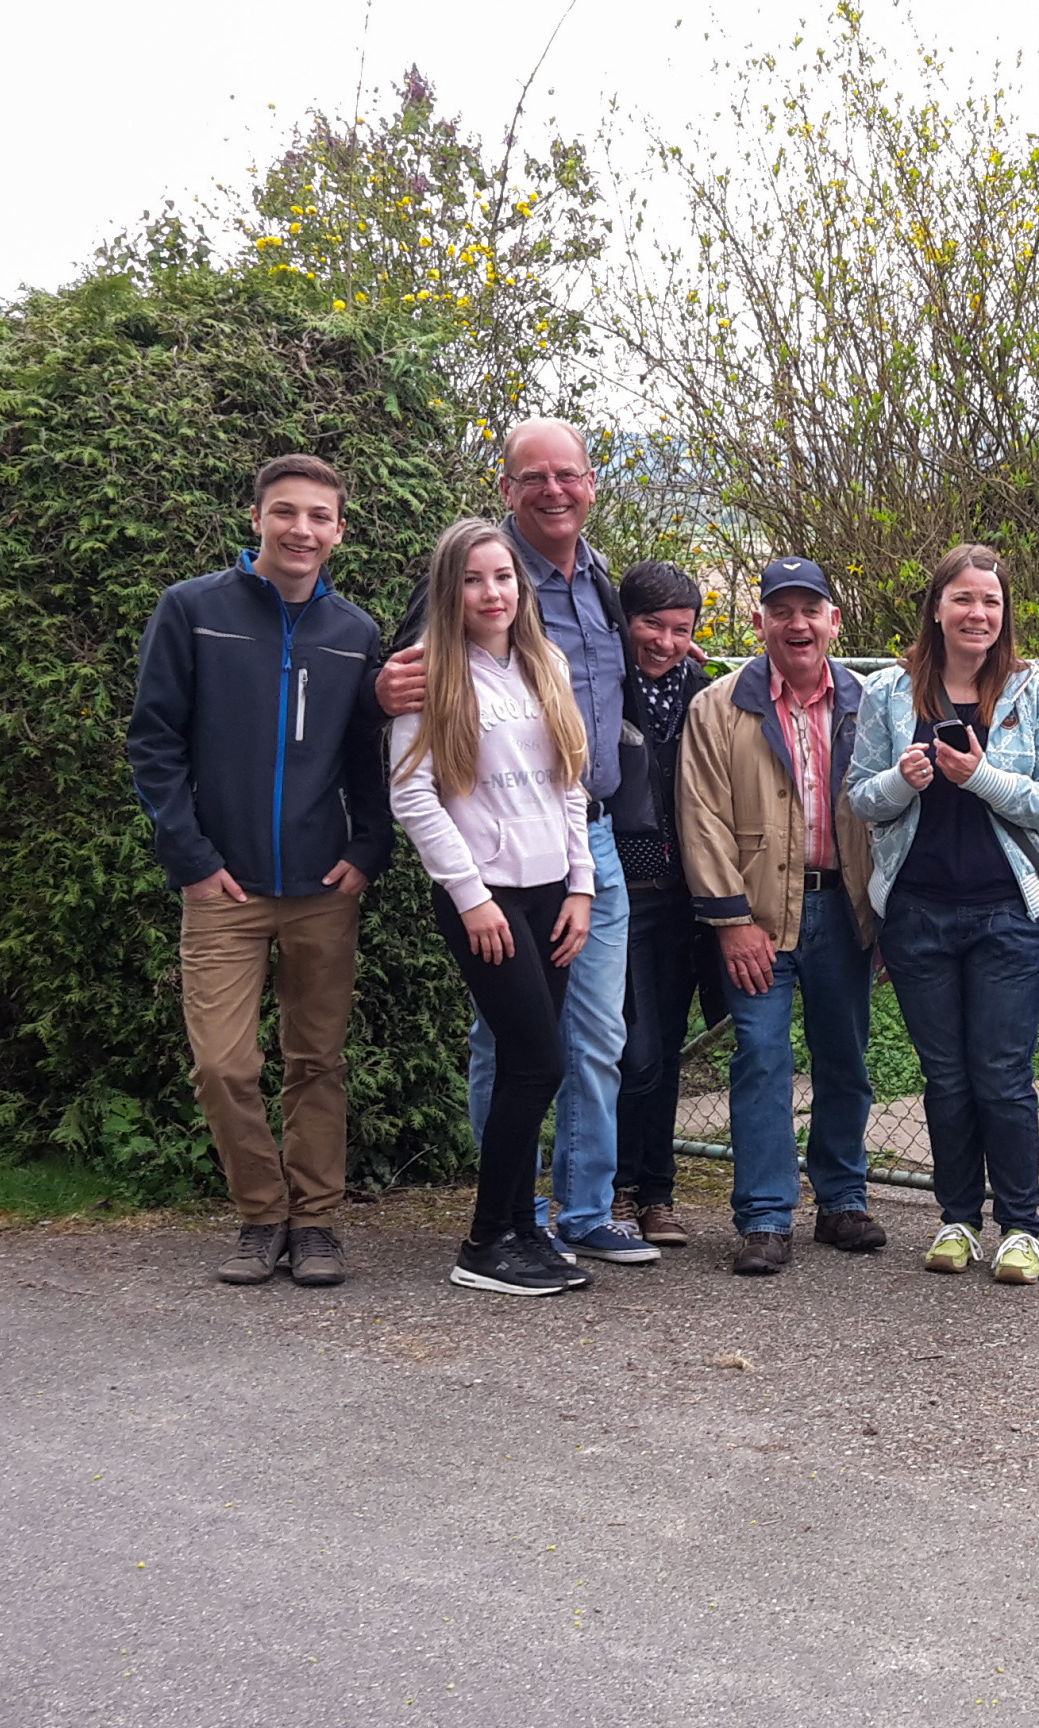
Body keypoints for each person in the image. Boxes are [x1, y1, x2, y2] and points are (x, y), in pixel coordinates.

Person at [369, 420, 658, 1267]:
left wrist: (583, 878)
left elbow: (576, 756)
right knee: (518, 1049)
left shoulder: (595, 589)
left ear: (592, 483)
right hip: (489, 878)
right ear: (507, 490)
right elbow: (409, 758)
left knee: (593, 1040)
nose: (553, 490)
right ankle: (505, 1217)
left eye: (568, 474)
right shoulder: (450, 621)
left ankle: (576, 1217)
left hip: (579, 855)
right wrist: (470, 893)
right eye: (534, 477)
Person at [127, 453, 392, 1288]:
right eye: (285, 512)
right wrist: (192, 861)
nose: (301, 529)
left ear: (339, 531)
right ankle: (260, 1216)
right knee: (223, 1066)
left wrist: (367, 850)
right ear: (256, 519)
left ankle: (315, 1225)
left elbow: (367, 758)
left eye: (318, 516)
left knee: (317, 1062)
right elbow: (154, 743)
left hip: (322, 889)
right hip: (225, 889)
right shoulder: (193, 610)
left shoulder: (355, 632)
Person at [848, 545, 1039, 1285]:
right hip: (918, 916)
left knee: (1002, 1076)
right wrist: (902, 781)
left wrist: (981, 777)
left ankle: (1021, 1229)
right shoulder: (889, 692)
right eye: (964, 599)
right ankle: (957, 1220)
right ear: (937, 608)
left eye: (991, 601)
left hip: (1011, 914)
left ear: (1004, 613)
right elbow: (862, 798)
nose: (978, 613)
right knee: (945, 1078)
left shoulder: (1033, 691)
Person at [388, 519, 597, 1297]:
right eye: (474, 580)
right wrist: (470, 896)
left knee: (525, 1064)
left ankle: (520, 1229)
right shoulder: (431, 672)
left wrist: (582, 886)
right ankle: (482, 1243)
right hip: (487, 901)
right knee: (540, 1062)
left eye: (503, 577)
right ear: (451, 590)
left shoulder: (547, 664)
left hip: (552, 896)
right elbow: (412, 794)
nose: (491, 593)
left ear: (520, 585)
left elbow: (569, 782)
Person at [678, 556, 884, 1275]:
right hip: (758, 916)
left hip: (844, 909)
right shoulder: (719, 706)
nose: (798, 624)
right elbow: (701, 817)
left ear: (834, 621)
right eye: (781, 610)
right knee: (762, 1058)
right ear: (759, 621)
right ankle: (765, 1217)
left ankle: (843, 1201)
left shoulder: (869, 703)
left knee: (846, 1058)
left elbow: (895, 813)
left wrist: (888, 914)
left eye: (810, 610)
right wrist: (732, 921)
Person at [608, 561, 727, 1246]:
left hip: (690, 895)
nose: (664, 641)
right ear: (623, 622)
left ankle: (657, 1194)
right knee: (636, 1050)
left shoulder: (705, 694)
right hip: (624, 894)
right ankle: (618, 1189)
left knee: (671, 1050)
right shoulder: (602, 686)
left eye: (680, 629)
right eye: (650, 624)